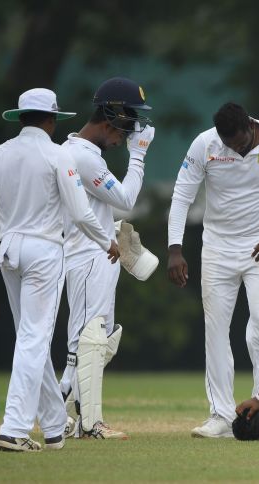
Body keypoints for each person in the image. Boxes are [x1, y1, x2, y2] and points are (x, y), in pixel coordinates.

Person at [0, 88, 118, 452]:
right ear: (51, 120)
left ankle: (51, 426)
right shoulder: (58, 154)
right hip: (45, 252)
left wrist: (8, 227)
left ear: (21, 118)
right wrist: (107, 241)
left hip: (9, 250)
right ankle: (14, 428)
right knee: (34, 338)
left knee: (30, 337)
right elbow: (81, 213)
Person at [167, 102, 259, 438]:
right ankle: (219, 415)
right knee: (216, 329)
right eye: (229, 144)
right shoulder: (206, 144)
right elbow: (182, 195)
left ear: (250, 125)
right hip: (217, 249)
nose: (237, 149)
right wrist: (175, 248)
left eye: (241, 142)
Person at [58, 77, 156, 439]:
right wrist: (140, 154)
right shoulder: (82, 157)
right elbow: (128, 198)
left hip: (97, 256)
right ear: (111, 115)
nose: (131, 132)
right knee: (85, 345)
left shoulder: (83, 155)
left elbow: (94, 209)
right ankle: (80, 422)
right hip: (86, 259)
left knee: (98, 344)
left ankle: (75, 420)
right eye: (130, 121)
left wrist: (112, 229)